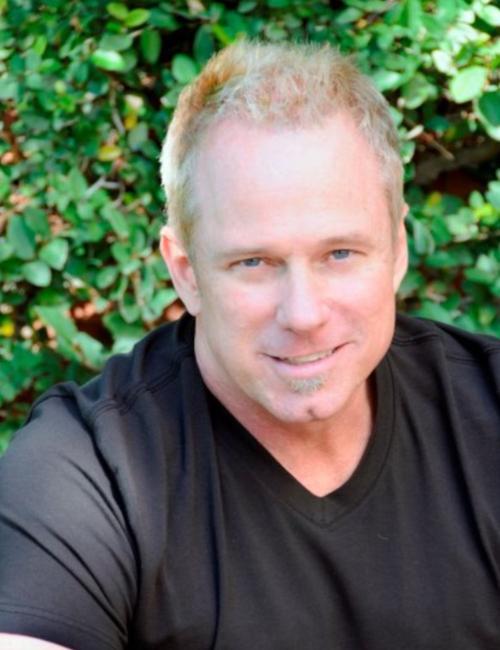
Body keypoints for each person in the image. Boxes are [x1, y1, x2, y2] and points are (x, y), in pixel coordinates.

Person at [0, 39, 499, 650]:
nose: (304, 314)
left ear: (396, 250)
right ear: (186, 272)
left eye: (340, 253)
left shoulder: (489, 410)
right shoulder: (86, 470)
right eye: (254, 262)